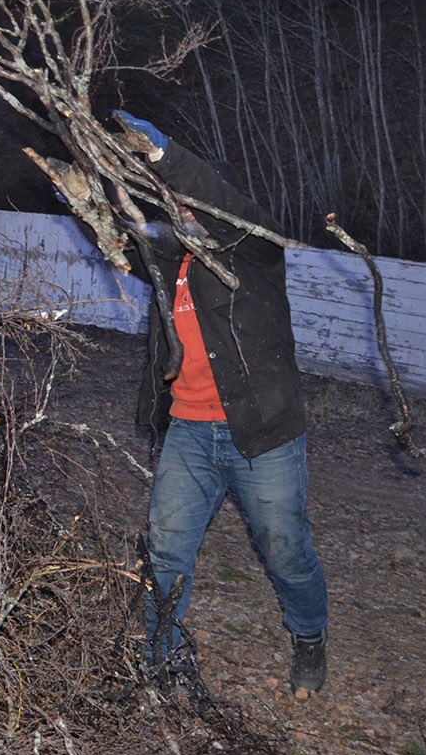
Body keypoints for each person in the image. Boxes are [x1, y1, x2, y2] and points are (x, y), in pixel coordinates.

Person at [113, 111, 330, 699]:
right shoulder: (172, 266)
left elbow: (218, 201)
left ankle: (310, 637)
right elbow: (119, 237)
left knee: (286, 552)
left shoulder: (255, 257)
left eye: (193, 207)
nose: (184, 217)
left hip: (263, 435)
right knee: (165, 551)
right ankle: (159, 660)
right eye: (177, 210)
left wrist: (167, 157)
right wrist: (86, 193)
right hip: (189, 433)